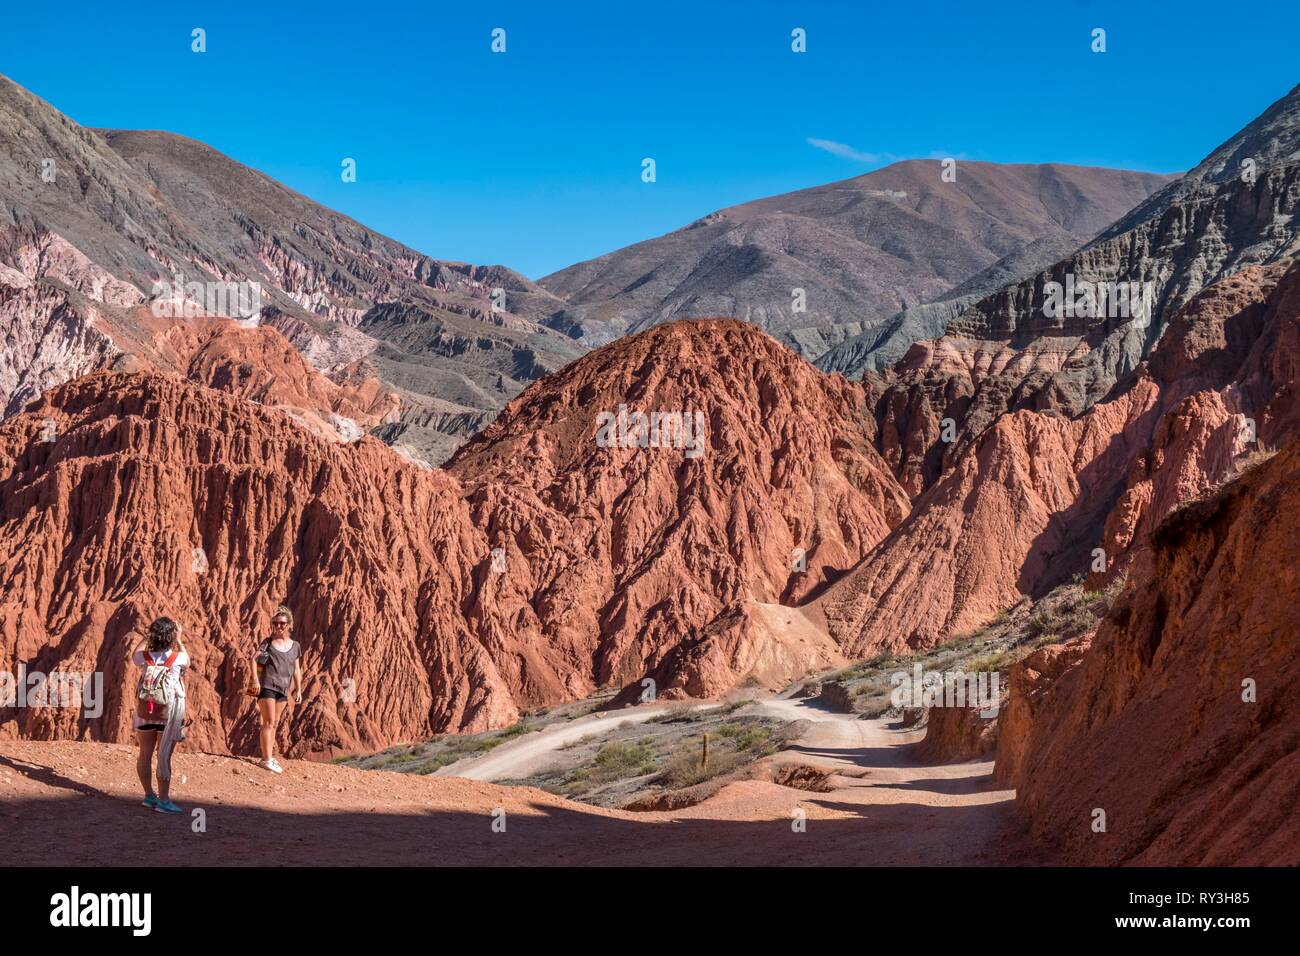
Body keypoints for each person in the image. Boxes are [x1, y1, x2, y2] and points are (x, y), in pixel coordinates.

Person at [130, 617, 189, 814]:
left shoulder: (145, 658)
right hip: (168, 712)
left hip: (146, 710)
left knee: (144, 754)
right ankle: (164, 801)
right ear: (172, 636)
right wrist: (179, 639)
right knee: (163, 757)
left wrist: (147, 636)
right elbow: (187, 661)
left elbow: (134, 654)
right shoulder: (177, 658)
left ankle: (149, 796)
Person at [246, 605, 302, 774]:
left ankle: (269, 757)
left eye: (282, 623)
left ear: (289, 625)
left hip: (283, 689)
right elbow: (253, 659)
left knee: (275, 723)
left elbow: (296, 668)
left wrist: (298, 689)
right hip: (267, 686)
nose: (278, 626)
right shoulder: (267, 643)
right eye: (275, 623)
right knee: (268, 721)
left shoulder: (295, 646)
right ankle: (266, 759)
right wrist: (255, 679)